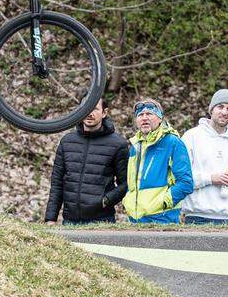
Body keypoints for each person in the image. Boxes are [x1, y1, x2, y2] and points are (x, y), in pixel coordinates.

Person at [44, 96, 128, 225]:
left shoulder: (118, 144)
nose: (89, 113)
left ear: (104, 113)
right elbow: (57, 183)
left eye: (94, 109)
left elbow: (126, 183)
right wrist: (51, 218)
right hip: (69, 221)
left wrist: (105, 201)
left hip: (102, 221)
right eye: (86, 108)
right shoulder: (67, 141)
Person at [180, 89, 228, 225]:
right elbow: (181, 177)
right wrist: (210, 178)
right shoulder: (191, 137)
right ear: (211, 110)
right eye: (220, 107)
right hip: (198, 218)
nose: (224, 112)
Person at [123, 99, 193, 223]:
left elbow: (185, 183)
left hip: (162, 219)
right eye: (140, 115)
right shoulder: (135, 146)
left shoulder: (173, 142)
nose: (144, 118)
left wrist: (163, 203)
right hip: (135, 220)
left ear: (160, 118)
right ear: (136, 121)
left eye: (149, 114)